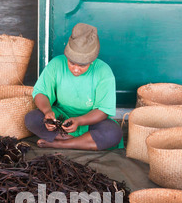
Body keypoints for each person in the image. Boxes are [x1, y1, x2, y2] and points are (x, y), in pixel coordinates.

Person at [25, 23, 123, 151]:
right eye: (71, 63)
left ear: (92, 60)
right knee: (32, 119)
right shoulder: (56, 64)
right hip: (60, 119)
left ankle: (61, 143)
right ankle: (81, 141)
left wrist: (79, 121)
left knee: (113, 133)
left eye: (82, 65)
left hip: (90, 121)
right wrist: (48, 111)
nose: (76, 69)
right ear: (67, 55)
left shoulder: (103, 71)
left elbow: (103, 111)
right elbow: (40, 92)